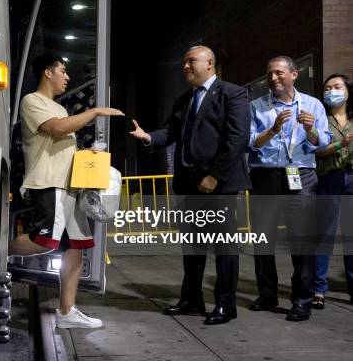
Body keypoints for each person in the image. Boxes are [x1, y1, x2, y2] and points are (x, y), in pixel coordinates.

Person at [129, 45, 251, 325]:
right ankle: (191, 299)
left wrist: (215, 176)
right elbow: (170, 132)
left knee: (223, 247)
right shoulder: (185, 99)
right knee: (192, 246)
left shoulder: (232, 94)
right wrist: (148, 137)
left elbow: (236, 139)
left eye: (191, 61)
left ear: (210, 63)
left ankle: (225, 304)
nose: (185, 66)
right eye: (183, 61)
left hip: (217, 185)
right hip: (187, 184)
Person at [8, 53, 124, 329]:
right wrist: (94, 111)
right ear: (47, 73)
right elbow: (57, 129)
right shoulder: (32, 101)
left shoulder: (58, 107)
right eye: (63, 71)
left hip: (70, 185)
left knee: (75, 247)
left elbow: (62, 142)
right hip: (50, 183)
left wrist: (88, 155)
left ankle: (67, 311)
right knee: (42, 242)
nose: (67, 77)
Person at [247, 56, 330, 322]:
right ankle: (267, 293)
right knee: (262, 239)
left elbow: (322, 142)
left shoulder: (313, 105)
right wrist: (272, 130)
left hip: (301, 174)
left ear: (294, 74)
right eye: (270, 73)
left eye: (279, 73)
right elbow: (250, 143)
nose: (273, 78)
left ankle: (302, 299)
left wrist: (310, 129)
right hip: (266, 175)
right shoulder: (256, 106)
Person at [311, 73, 353, 308]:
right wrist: (340, 144)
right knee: (323, 238)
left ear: (348, 91)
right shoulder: (321, 119)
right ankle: (319, 290)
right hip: (329, 178)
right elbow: (314, 151)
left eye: (336, 87)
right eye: (327, 88)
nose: (331, 92)